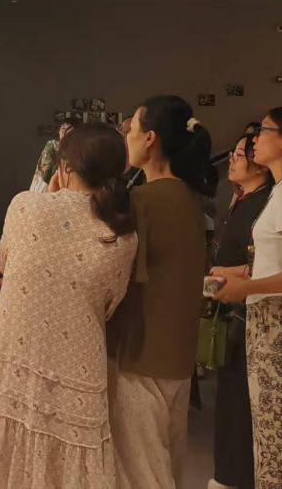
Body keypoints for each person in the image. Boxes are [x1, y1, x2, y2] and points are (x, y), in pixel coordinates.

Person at [0, 124, 137, 488]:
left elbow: (4, 264)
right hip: (78, 361)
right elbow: (110, 303)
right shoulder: (122, 234)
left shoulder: (25, 206)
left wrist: (51, 196)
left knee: (10, 460)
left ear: (65, 166)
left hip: (15, 351)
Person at [212, 107, 282, 489]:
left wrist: (245, 288)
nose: (254, 140)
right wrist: (236, 274)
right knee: (273, 436)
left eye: (263, 131)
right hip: (273, 325)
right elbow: (276, 262)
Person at [107, 95, 218, 487]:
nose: (127, 136)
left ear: (150, 138)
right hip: (177, 349)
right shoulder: (189, 196)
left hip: (142, 350)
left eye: (132, 129)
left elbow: (117, 277)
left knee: (142, 470)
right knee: (166, 460)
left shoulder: (143, 200)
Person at [209, 133, 274, 489]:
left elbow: (267, 263)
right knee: (230, 399)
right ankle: (228, 473)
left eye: (238, 154)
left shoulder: (266, 202)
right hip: (231, 307)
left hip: (249, 311)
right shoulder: (245, 199)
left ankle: (237, 477)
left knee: (240, 402)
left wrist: (228, 273)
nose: (231, 160)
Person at [29, 115, 80, 192]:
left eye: (68, 129)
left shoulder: (78, 149)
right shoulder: (52, 145)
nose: (64, 131)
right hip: (45, 185)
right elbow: (45, 172)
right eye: (62, 128)